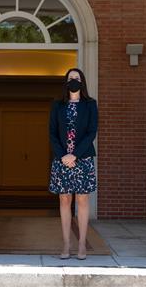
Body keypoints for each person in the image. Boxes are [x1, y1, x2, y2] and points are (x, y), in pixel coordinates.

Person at [49, 68, 98, 260]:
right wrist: (63, 155)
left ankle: (82, 244)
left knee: (82, 200)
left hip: (83, 158)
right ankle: (66, 244)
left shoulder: (90, 105)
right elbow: (52, 132)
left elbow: (91, 132)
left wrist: (74, 155)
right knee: (64, 200)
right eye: (71, 78)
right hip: (62, 159)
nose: (74, 81)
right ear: (66, 82)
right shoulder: (58, 105)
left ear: (82, 81)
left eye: (77, 78)